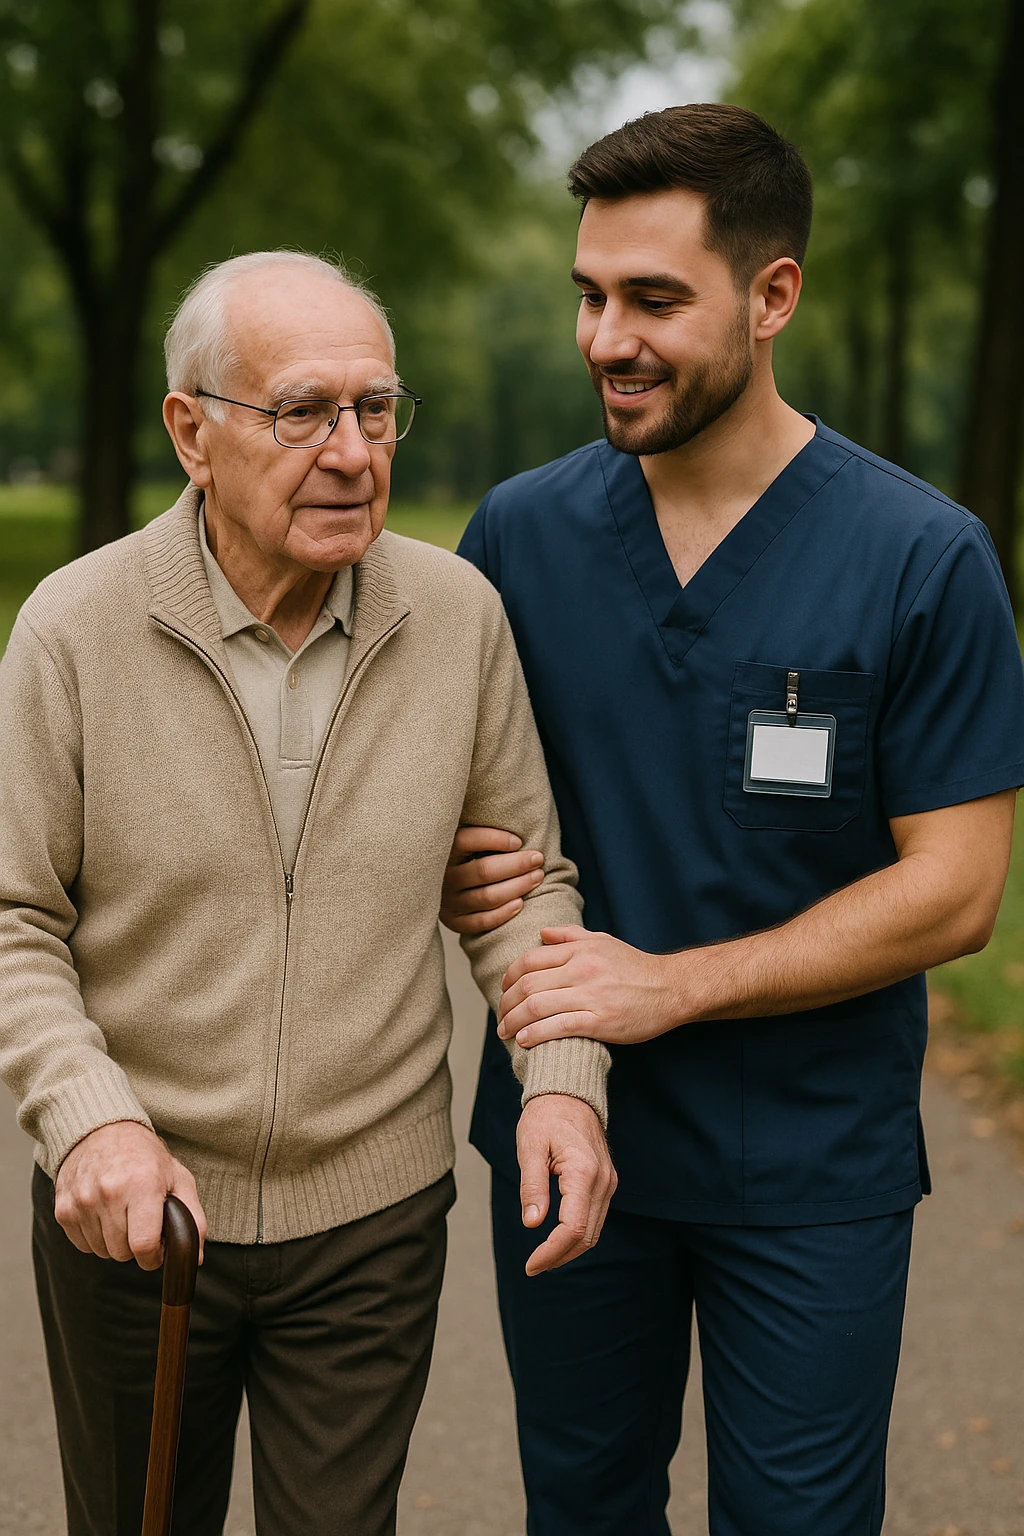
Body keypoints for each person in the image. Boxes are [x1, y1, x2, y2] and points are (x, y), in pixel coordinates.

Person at [441, 105, 1024, 1536]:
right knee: (582, 1508)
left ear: (773, 298)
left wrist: (672, 985)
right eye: (588, 293)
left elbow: (956, 892)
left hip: (809, 1163)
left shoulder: (922, 557)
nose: (604, 337)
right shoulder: (517, 539)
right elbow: (445, 794)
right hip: (570, 1145)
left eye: (652, 299)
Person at [0, 250, 615, 1536]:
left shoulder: (457, 618)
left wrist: (564, 1087)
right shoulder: (73, 628)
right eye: (301, 412)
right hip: (140, 1209)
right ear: (192, 432)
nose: (350, 451)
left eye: (376, 409)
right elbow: (17, 920)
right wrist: (91, 1120)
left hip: (372, 1217)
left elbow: (523, 891)